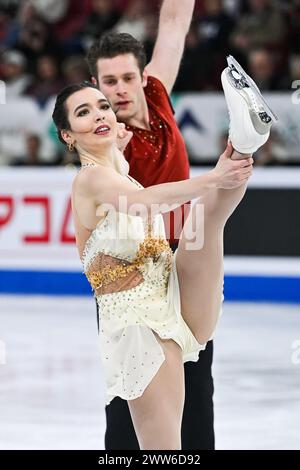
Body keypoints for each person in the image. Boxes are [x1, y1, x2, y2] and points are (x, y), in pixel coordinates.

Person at [52, 57, 276, 448]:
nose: (100, 114)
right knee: (164, 450)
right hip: (139, 326)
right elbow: (145, 204)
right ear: (68, 135)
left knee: (205, 222)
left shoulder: (119, 171)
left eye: (103, 106)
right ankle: (237, 155)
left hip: (172, 296)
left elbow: (133, 182)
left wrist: (117, 145)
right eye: (83, 113)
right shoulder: (90, 179)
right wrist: (212, 177)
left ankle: (244, 142)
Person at [85, 0, 218, 450]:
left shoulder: (158, 95)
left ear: (143, 77)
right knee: (131, 395)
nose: (120, 90)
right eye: (109, 82)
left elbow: (176, 21)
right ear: (95, 86)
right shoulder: (104, 141)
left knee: (197, 387)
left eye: (127, 78)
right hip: (133, 278)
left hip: (183, 266)